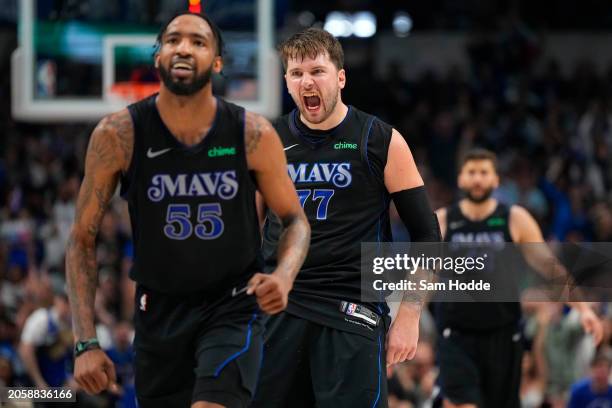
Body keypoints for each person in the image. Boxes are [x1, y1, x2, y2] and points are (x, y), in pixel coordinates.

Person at [65, 12, 310, 408]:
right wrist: (85, 342)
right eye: (173, 39)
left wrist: (283, 275)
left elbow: (296, 219)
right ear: (158, 56)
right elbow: (81, 239)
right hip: (158, 313)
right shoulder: (118, 135)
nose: (183, 47)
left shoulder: (253, 133)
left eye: (198, 42)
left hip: (231, 305)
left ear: (217, 62)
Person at [253, 28, 440, 408]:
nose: (307, 81)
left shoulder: (380, 139)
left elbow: (428, 234)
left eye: (317, 71)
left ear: (340, 77)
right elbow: (248, 231)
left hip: (351, 307)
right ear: (287, 82)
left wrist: (409, 312)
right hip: (280, 308)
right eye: (296, 73)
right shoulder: (268, 140)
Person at [434, 148, 603, 408]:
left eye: (484, 172)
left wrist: (581, 308)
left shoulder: (514, 219)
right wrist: (402, 320)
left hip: (503, 333)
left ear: (496, 180)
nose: (477, 179)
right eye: (471, 173)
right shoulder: (443, 221)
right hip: (456, 333)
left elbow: (550, 267)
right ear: (460, 179)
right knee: (460, 403)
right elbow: (420, 276)